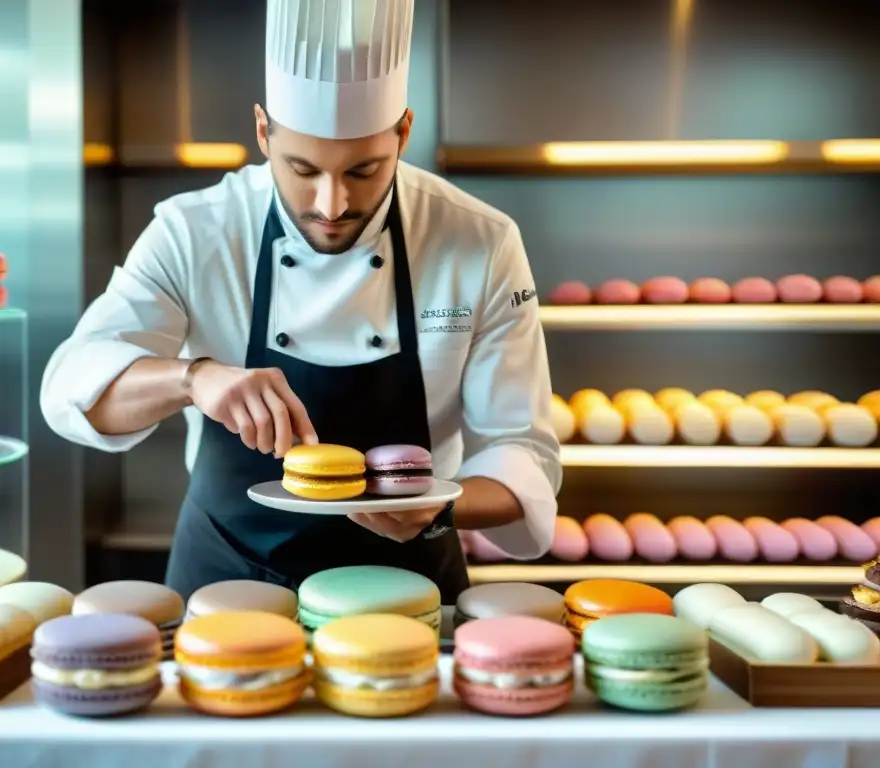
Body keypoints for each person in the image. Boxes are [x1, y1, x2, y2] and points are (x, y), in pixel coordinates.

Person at [40, 0, 562, 604]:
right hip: (225, 580)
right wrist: (193, 379)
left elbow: (521, 450)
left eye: (365, 170)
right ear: (263, 130)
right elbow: (71, 390)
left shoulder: (480, 241)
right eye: (301, 167)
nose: (332, 203)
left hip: (408, 586)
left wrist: (438, 512)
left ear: (404, 133)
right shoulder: (195, 230)